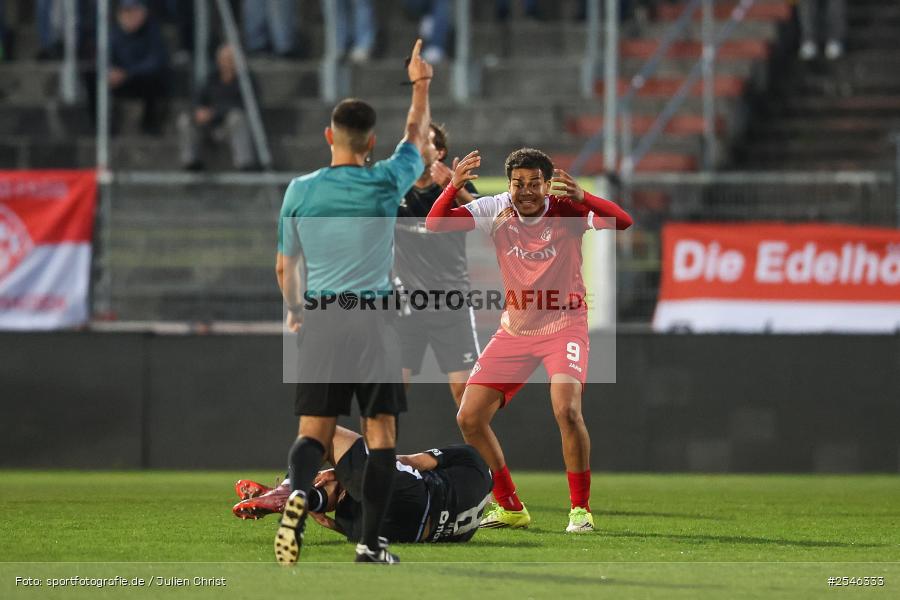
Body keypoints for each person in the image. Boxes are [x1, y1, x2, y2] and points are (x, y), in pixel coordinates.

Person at [273, 39, 433, 565]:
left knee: (313, 433)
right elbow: (418, 135)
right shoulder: (387, 180)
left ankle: (298, 492)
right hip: (374, 320)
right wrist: (420, 84)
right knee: (381, 433)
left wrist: (296, 310)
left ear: (329, 137)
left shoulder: (300, 190)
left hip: (321, 316)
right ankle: (370, 542)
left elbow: (284, 266)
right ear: (371, 141)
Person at [425, 148, 633, 533]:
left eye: (534, 183)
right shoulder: (496, 209)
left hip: (564, 323)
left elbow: (623, 221)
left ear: (546, 183)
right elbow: (436, 224)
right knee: (469, 417)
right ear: (509, 185)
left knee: (566, 410)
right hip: (515, 330)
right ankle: (509, 505)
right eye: (518, 183)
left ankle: (580, 510)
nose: (525, 191)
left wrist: (585, 197)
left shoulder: (565, 210)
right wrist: (452, 186)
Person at [232, 426, 493, 544]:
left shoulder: (474, 460)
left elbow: (412, 462)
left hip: (415, 495)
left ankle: (289, 490)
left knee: (324, 432)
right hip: (400, 533)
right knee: (349, 490)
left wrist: (340, 467)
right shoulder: (469, 531)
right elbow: (329, 522)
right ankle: (308, 499)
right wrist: (337, 525)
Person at [394, 122, 480, 407]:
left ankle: (476, 453)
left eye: (424, 142)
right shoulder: (395, 190)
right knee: (388, 394)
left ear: (439, 152)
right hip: (406, 304)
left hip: (450, 302)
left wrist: (452, 187)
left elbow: (488, 221)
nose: (415, 148)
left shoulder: (457, 188)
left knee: (465, 396)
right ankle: (377, 453)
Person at [84, 0, 170, 135]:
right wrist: (109, 72)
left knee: (154, 78)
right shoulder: (113, 34)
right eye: (127, 12)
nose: (131, 16)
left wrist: (128, 73)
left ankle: (150, 123)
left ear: (144, 13)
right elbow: (102, 57)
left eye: (135, 12)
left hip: (139, 79)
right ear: (119, 15)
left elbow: (156, 61)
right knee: (91, 76)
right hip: (118, 80)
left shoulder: (152, 32)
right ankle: (101, 125)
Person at [177, 44, 257, 171]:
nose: (227, 63)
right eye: (224, 59)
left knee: (237, 117)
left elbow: (246, 105)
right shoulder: (211, 78)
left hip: (228, 126)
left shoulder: (246, 81)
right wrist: (198, 111)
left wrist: (214, 113)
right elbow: (197, 98)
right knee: (185, 120)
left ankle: (244, 163)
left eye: (231, 59)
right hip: (207, 126)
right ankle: (191, 161)